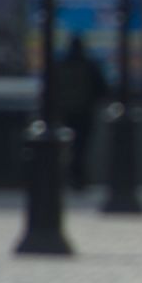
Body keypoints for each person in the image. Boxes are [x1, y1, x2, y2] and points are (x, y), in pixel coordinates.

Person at [52, 35, 108, 192]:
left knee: (66, 147)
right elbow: (102, 89)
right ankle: (79, 177)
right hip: (85, 112)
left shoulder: (61, 65)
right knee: (81, 147)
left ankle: (69, 175)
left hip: (65, 112)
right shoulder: (90, 65)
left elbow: (51, 89)